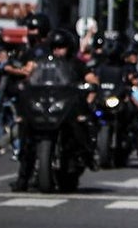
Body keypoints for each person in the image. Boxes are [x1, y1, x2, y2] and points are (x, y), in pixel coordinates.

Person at [11, 29, 100, 192]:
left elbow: (91, 79)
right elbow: (27, 72)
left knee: (84, 124)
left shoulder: (75, 63)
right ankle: (22, 178)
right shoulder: (41, 62)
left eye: (62, 47)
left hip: (68, 110)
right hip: (45, 107)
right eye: (55, 47)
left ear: (69, 48)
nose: (58, 50)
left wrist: (89, 91)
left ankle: (87, 155)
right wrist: (21, 79)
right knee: (26, 133)